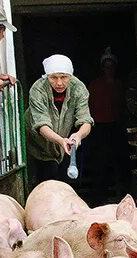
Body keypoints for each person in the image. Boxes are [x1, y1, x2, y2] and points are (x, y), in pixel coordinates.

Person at [25, 54, 94, 184]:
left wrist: (78, 135)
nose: (59, 83)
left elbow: (85, 120)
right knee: (44, 181)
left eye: (64, 77)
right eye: (54, 77)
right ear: (47, 76)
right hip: (38, 142)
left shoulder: (78, 88)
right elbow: (41, 125)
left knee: (65, 182)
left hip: (64, 141)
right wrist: (60, 140)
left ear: (71, 76)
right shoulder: (38, 89)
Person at [88, 47, 129, 199]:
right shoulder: (94, 85)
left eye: (111, 66)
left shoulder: (119, 85)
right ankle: (98, 199)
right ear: (102, 68)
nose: (109, 69)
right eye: (106, 66)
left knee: (122, 162)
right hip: (99, 127)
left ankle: (124, 196)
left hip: (116, 126)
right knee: (100, 163)